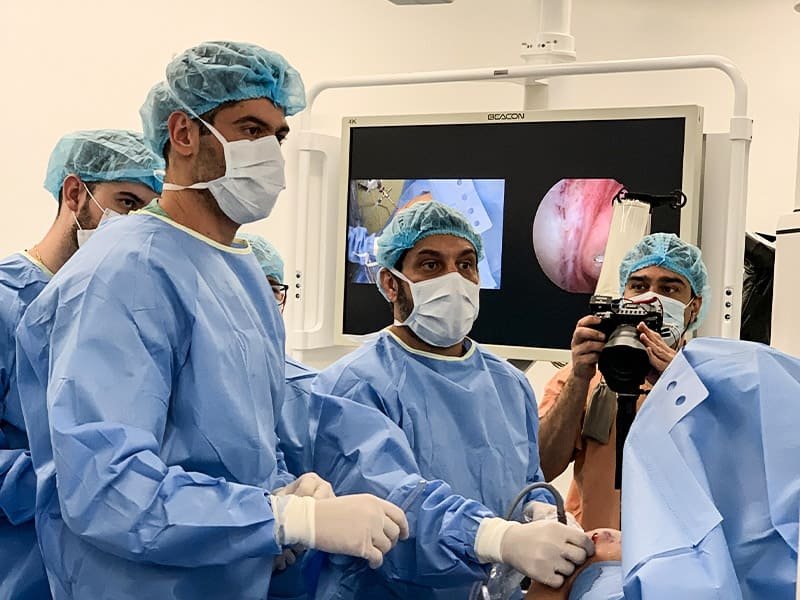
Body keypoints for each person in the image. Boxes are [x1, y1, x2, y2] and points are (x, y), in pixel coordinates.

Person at [15, 41, 407, 600]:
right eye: (250, 129)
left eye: (278, 135)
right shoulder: (122, 271)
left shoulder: (241, 273)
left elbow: (240, 447)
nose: (269, 152)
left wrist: (280, 494)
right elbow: (107, 488)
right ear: (184, 133)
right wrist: (283, 518)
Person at [309, 200, 593, 599]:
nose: (453, 278)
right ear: (391, 283)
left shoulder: (508, 383)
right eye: (431, 265)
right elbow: (390, 507)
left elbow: (525, 480)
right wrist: (496, 537)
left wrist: (539, 513)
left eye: (465, 264)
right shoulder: (353, 385)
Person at [0, 129, 164, 600]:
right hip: (23, 567)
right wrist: (73, 479)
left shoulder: (125, 310)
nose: (135, 225)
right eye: (127, 203)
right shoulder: (9, 303)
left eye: (148, 213)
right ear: (75, 193)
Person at [537, 233, 709, 531]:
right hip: (596, 547)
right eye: (639, 286)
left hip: (679, 551)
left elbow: (729, 472)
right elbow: (542, 467)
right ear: (622, 295)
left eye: (669, 288)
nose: (651, 298)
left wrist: (678, 382)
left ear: (693, 307)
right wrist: (580, 378)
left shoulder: (706, 381)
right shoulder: (584, 375)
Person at [239, 232, 318, 600]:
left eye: (272, 288)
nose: (262, 299)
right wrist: (265, 522)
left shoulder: (305, 386)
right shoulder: (189, 376)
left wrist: (288, 500)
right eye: (248, 283)